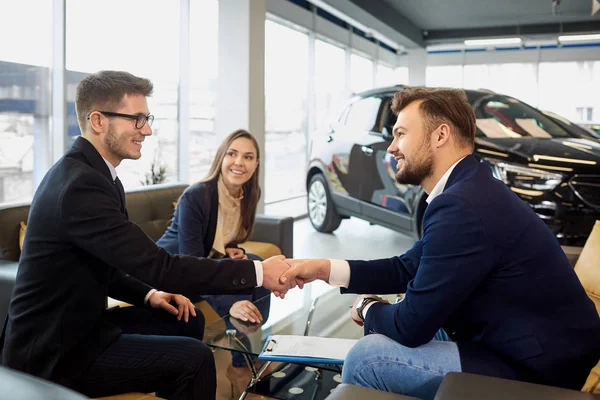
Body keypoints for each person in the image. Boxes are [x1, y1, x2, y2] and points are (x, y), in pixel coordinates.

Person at [280, 87, 600, 400]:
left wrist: (368, 308)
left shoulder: (463, 205)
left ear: (440, 135)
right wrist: (324, 268)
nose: (391, 147)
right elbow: (408, 266)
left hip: (535, 364)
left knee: (368, 357)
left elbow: (410, 327)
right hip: (518, 339)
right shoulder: (471, 187)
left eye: (401, 134)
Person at [0, 70, 292, 400]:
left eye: (147, 118)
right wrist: (258, 272)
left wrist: (150, 296)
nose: (148, 130)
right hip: (53, 351)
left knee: (188, 319)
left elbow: (104, 268)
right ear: (98, 120)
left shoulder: (101, 177)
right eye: (138, 119)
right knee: (194, 360)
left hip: (84, 328)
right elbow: (164, 268)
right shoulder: (80, 186)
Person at [157, 129, 271, 396]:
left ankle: (249, 353)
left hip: (201, 262)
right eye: (232, 154)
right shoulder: (197, 195)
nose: (239, 162)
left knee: (259, 268)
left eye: (248, 156)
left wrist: (232, 250)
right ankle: (241, 363)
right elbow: (191, 262)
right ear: (221, 157)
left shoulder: (248, 195)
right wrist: (231, 304)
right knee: (240, 281)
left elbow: (223, 237)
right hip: (172, 269)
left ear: (256, 165)